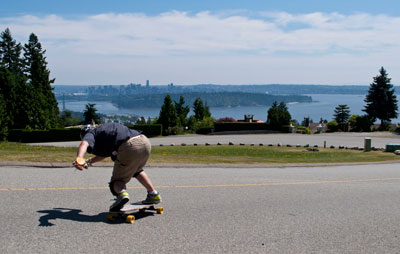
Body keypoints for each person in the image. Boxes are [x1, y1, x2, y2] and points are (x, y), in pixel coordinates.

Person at [73, 122, 161, 212]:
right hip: (145, 142)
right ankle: (153, 194)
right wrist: (88, 162)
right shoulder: (105, 129)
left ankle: (122, 194)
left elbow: (84, 144)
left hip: (129, 146)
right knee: (136, 170)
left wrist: (79, 158)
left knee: (116, 182)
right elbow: (103, 155)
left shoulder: (91, 133)